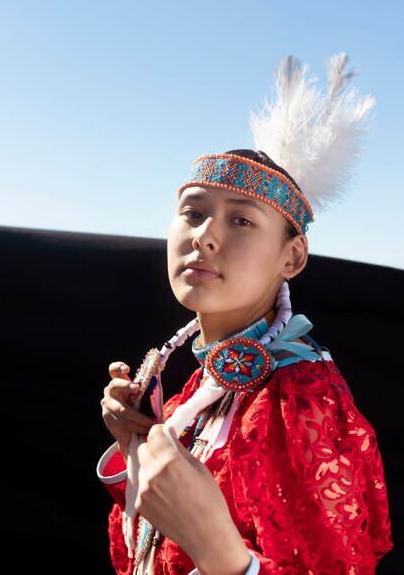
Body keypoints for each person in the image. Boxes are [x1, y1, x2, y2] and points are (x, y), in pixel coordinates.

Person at [97, 54, 393, 575]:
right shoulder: (202, 389)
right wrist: (136, 445)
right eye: (192, 212)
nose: (204, 235)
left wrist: (220, 552)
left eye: (240, 219)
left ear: (292, 257)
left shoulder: (302, 399)